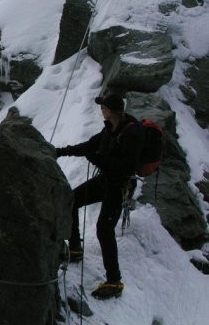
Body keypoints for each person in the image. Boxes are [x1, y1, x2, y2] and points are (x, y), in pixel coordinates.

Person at [56, 93, 144, 299]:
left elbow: (125, 168)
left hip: (120, 185)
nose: (101, 111)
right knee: (73, 199)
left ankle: (114, 281)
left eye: (103, 108)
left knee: (104, 230)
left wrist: (98, 160)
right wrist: (60, 152)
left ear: (110, 111)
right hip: (107, 180)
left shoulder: (132, 134)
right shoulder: (110, 128)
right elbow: (89, 146)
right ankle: (75, 248)